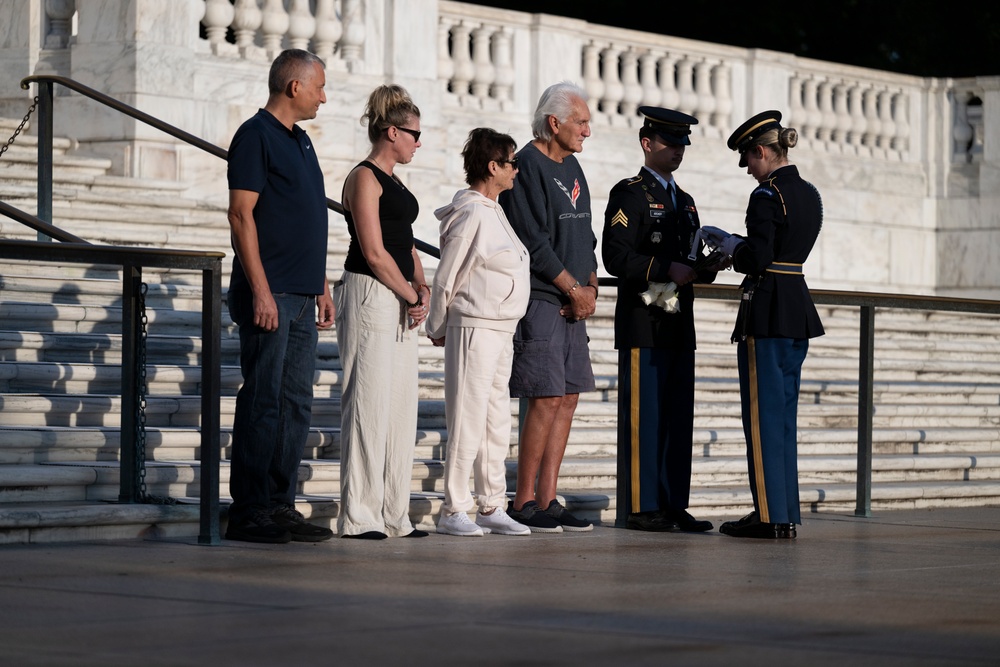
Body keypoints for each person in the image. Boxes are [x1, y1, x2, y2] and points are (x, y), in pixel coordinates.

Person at [225, 49, 335, 544]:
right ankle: (249, 510)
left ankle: (279, 503)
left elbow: (307, 216)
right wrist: (261, 292)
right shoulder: (255, 136)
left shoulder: (303, 142)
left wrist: (321, 284)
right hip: (270, 294)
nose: (323, 96)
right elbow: (241, 216)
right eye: (319, 87)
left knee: (294, 403)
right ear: (294, 87)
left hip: (302, 292)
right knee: (263, 400)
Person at [702, 110, 825, 539]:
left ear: (761, 151)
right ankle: (783, 511)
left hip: (769, 310)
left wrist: (731, 245)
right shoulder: (809, 192)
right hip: (797, 308)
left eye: (749, 160)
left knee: (763, 418)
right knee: (784, 419)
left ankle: (770, 515)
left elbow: (759, 256)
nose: (749, 171)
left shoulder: (767, 195)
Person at [602, 107, 721, 533]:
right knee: (646, 415)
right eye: (669, 143)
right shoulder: (630, 194)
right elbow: (616, 257)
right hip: (644, 320)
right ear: (646, 143)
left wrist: (712, 262)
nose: (677, 151)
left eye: (682, 144)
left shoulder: (685, 202)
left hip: (676, 321)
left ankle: (674, 502)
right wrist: (663, 268)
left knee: (676, 416)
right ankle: (642, 504)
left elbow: (688, 259)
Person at [498, 82, 598, 533]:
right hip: (543, 300)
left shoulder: (573, 166)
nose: (587, 131)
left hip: (575, 299)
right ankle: (523, 501)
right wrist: (572, 288)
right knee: (545, 397)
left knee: (569, 396)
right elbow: (533, 241)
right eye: (581, 122)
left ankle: (548, 497)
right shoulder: (527, 166)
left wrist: (590, 285)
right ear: (554, 123)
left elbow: (586, 235)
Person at [334, 84, 430, 540]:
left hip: (400, 293)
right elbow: (372, 251)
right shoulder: (363, 177)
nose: (418, 141)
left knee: (398, 408)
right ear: (391, 131)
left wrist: (422, 284)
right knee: (367, 405)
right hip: (371, 292)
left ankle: (395, 514)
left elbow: (404, 242)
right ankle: (358, 516)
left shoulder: (395, 181)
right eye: (413, 133)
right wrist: (409, 295)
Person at [426, 128, 532, 538]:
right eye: (512, 163)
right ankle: (455, 507)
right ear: (493, 167)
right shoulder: (471, 212)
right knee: (468, 417)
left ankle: (490, 504)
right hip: (475, 325)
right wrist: (438, 324)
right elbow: (447, 276)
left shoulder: (494, 209)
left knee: (494, 420)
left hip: (501, 328)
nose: (516, 170)